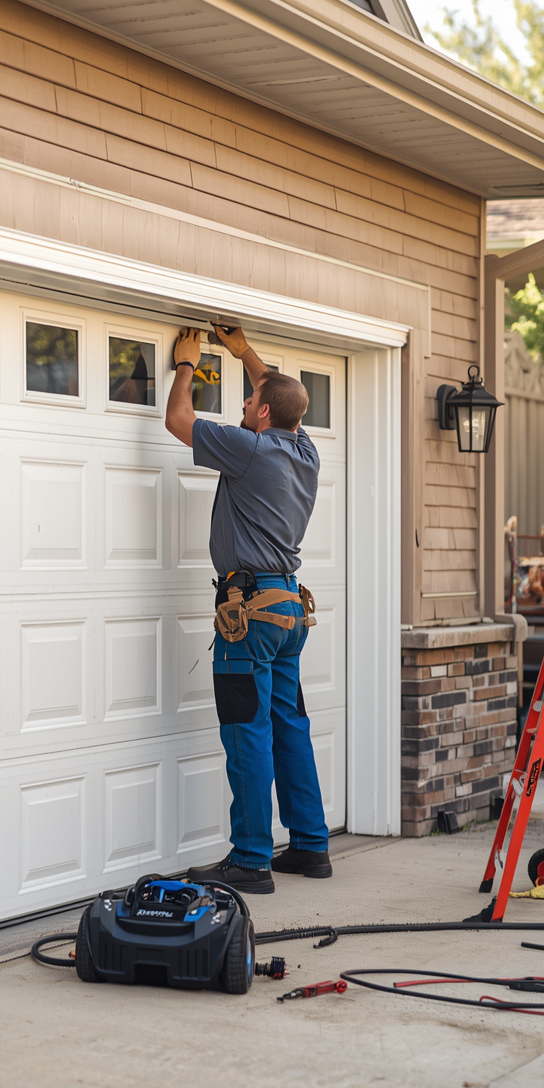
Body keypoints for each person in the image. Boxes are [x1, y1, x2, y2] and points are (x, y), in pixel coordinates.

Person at [165, 325, 331, 894]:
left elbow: (178, 422)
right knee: (289, 725)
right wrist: (242, 353)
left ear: (261, 414)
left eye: (247, 401)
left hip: (248, 612)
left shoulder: (251, 447)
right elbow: (280, 391)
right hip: (287, 610)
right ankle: (310, 846)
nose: (240, 403)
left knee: (247, 731)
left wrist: (186, 367)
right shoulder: (304, 451)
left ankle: (252, 859)